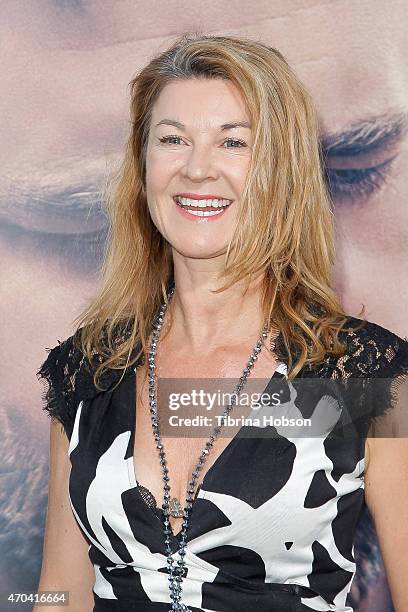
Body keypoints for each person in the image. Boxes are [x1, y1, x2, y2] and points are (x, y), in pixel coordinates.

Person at [36, 33, 408, 612]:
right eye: (173, 140)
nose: (198, 169)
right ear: (141, 165)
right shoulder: (86, 370)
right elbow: (59, 594)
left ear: (280, 171)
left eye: (233, 142)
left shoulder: (367, 376)